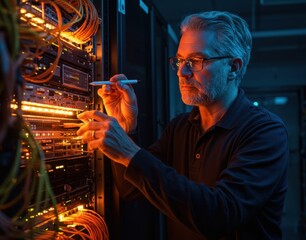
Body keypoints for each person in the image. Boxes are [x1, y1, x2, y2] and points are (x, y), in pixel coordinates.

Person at [76, 11, 289, 240]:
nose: (182, 72)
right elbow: (131, 190)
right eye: (179, 60)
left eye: (196, 61)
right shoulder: (180, 128)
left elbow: (221, 215)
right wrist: (126, 129)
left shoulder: (265, 132)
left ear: (234, 68)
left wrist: (128, 151)